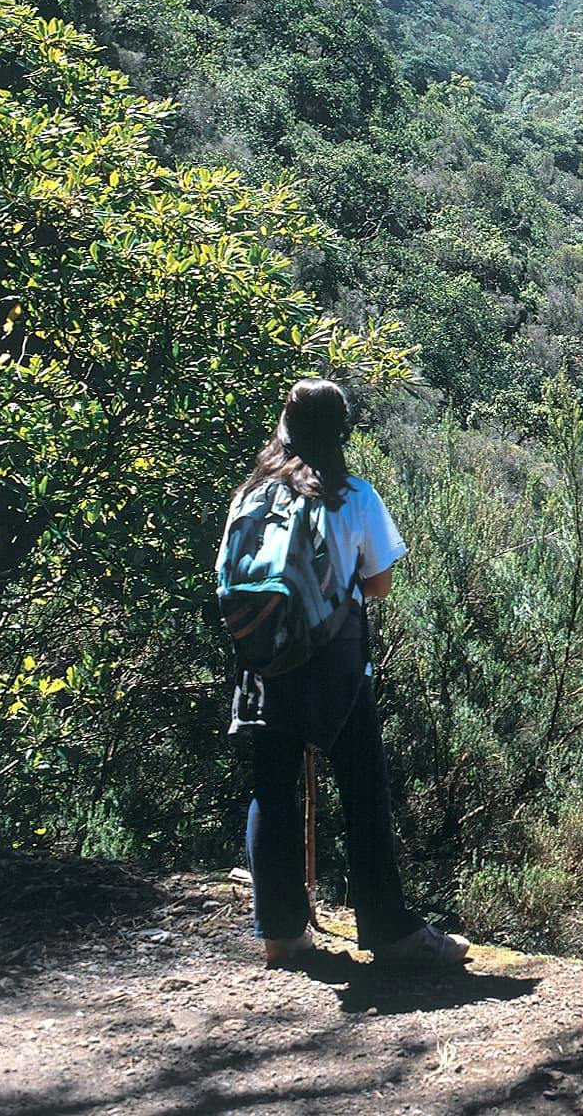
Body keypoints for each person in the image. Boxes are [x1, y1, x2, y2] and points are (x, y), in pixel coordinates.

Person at [220, 377, 469, 968]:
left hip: (264, 660)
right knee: (362, 787)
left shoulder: (249, 496)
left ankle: (281, 933)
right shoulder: (352, 496)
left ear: (285, 429)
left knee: (271, 788)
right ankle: (389, 932)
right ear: (342, 432)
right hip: (333, 661)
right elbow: (378, 585)